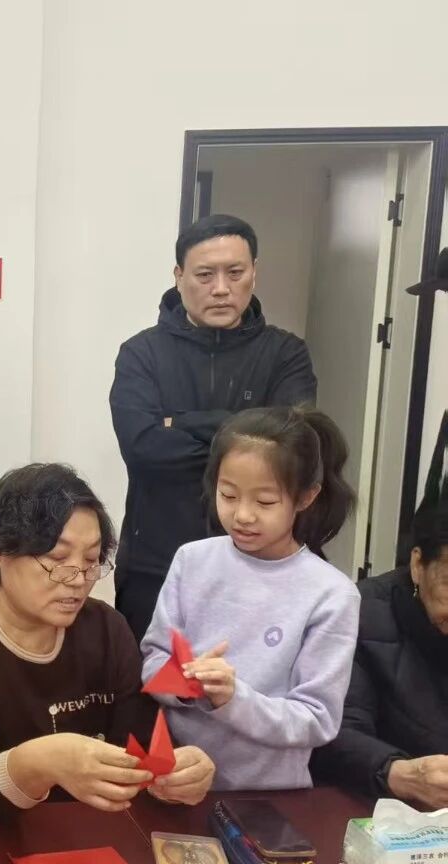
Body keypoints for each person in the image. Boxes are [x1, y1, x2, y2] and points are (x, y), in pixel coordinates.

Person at [0, 465, 215, 815]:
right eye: (58, 558)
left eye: (91, 560)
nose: (78, 579)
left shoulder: (107, 630)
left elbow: (139, 745)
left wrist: (171, 777)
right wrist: (43, 762)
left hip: (70, 822)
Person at [110, 214, 317, 640]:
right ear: (179, 276)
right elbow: (143, 448)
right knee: (153, 677)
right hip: (157, 561)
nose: (221, 288)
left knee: (248, 678)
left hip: (262, 563)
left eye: (235, 273)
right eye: (205, 275)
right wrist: (249, 435)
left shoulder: (286, 354)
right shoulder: (141, 354)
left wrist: (178, 422)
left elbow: (288, 446)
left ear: (254, 272)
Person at [141, 406, 360, 791]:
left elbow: (317, 719)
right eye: (228, 495)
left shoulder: (331, 594)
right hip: (177, 785)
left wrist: (233, 698)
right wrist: (187, 685)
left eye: (265, 502)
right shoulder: (192, 560)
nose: (242, 515)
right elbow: (153, 660)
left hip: (269, 794)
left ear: (306, 497)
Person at [311, 413, 448, 803]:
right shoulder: (360, 613)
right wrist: (398, 772)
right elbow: (332, 733)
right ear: (418, 563)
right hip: (381, 813)